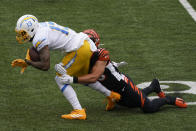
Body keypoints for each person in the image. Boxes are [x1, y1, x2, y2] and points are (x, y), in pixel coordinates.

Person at [11, 15, 121, 120]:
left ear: (31, 30)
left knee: (60, 79)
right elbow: (38, 50)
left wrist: (29, 63)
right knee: (81, 76)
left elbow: (45, 66)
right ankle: (111, 96)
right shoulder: (41, 26)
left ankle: (79, 111)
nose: (22, 36)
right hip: (83, 44)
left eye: (23, 33)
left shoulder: (39, 38)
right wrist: (28, 62)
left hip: (78, 49)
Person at [55, 48, 187, 114]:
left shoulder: (101, 55)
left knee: (147, 107)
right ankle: (153, 86)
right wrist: (63, 68)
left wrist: (72, 79)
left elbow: (93, 77)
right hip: (117, 88)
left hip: (124, 87)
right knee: (129, 104)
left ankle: (169, 99)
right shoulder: (88, 57)